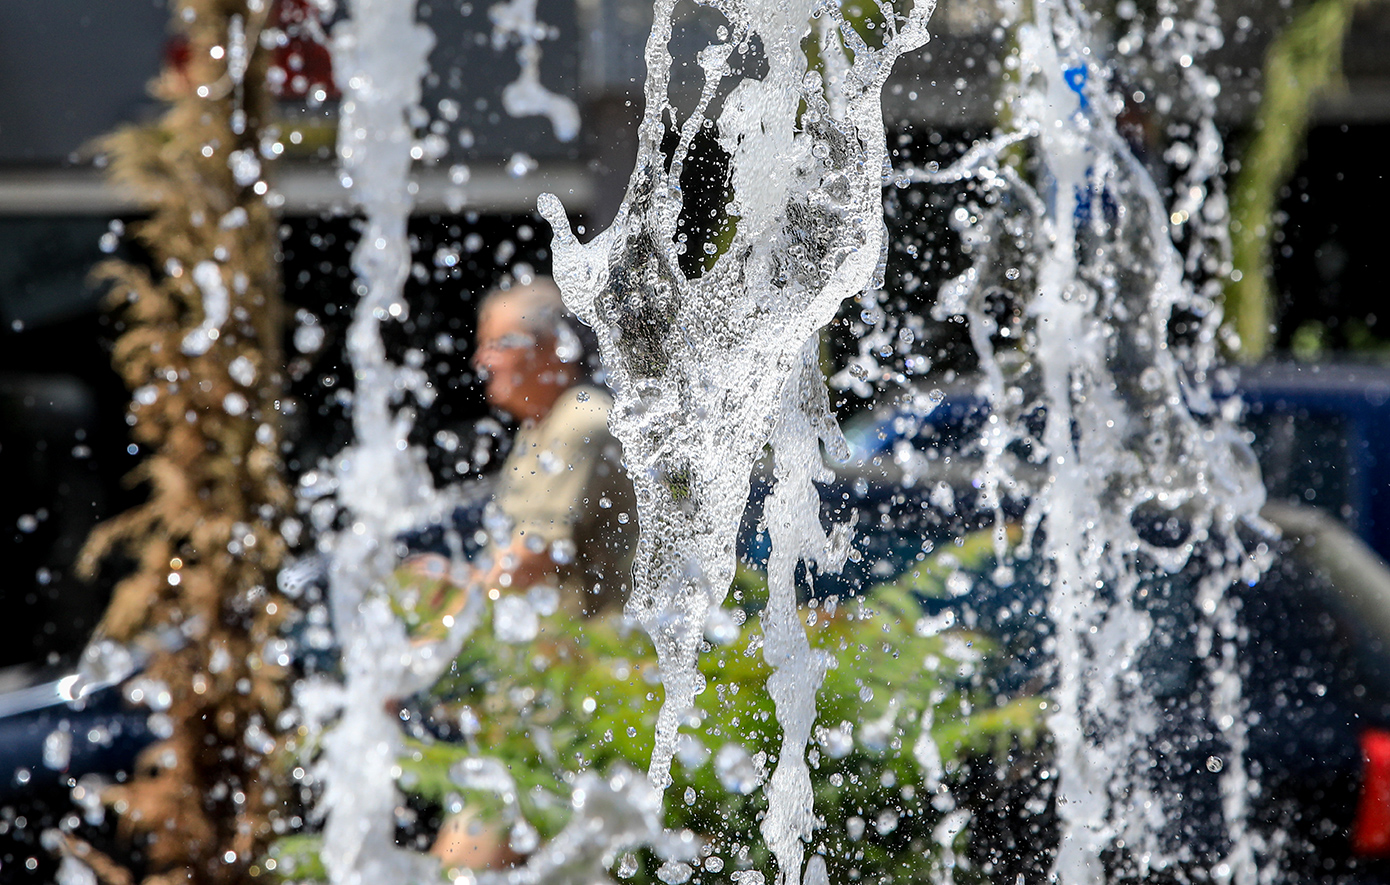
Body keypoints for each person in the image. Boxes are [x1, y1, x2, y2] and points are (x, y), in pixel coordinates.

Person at [404, 276, 636, 623]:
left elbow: (534, 561)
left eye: (499, 344)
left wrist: (457, 598)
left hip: (603, 652)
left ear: (552, 349)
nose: (481, 361)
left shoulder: (582, 419)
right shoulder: (540, 426)